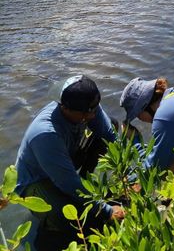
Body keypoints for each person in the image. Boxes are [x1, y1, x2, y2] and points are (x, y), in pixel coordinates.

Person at [15, 75, 125, 251]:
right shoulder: (45, 134)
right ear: (65, 108)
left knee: (109, 126)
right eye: (86, 112)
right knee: (72, 222)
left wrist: (130, 175)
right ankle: (50, 222)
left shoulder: (87, 106)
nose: (92, 114)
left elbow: (110, 136)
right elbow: (69, 183)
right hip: (36, 181)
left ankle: (85, 184)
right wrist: (107, 211)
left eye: (95, 108)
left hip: (64, 161)